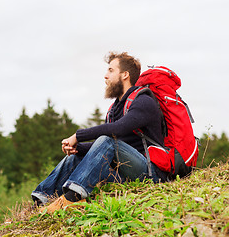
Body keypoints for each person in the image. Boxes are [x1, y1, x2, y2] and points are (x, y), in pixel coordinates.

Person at [31, 52, 169, 213]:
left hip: (149, 174)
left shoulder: (144, 101)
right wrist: (79, 148)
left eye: (111, 70)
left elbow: (116, 131)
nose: (105, 76)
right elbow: (104, 149)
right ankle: (40, 201)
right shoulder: (115, 108)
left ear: (125, 75)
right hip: (123, 176)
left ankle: (73, 198)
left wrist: (77, 136)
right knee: (76, 156)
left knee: (107, 140)